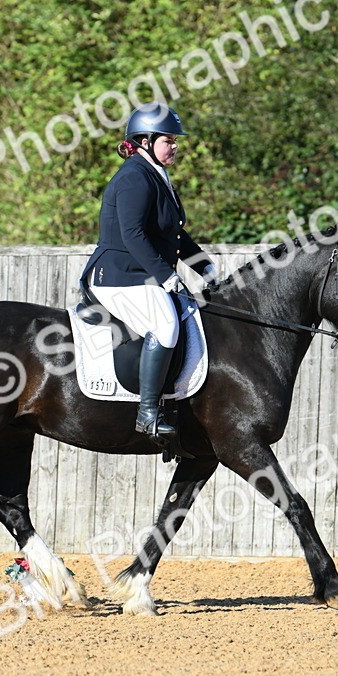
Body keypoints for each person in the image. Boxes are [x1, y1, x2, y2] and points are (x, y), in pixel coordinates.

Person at [80, 102, 217, 438]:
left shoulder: (157, 176)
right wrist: (167, 276)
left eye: (174, 140)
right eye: (168, 140)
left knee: (186, 315)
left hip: (139, 274)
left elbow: (173, 234)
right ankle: (148, 414)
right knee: (166, 323)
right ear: (145, 141)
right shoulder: (134, 178)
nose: (175, 146)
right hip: (118, 276)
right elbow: (134, 235)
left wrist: (205, 267)